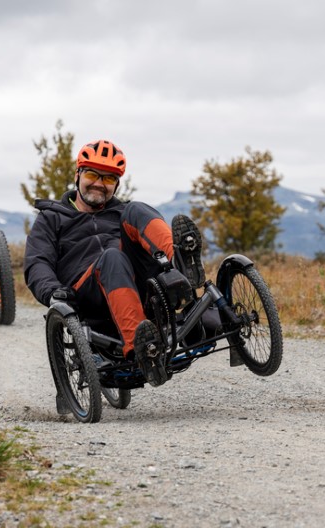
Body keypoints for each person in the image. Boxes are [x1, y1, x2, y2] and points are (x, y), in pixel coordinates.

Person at [24, 139, 206, 399]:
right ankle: (140, 349)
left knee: (136, 209)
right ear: (77, 175)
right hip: (87, 295)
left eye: (109, 178)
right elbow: (37, 262)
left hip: (139, 287)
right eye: (91, 174)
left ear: (116, 184)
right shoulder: (52, 217)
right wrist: (52, 292)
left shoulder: (121, 212)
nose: (99, 183)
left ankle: (180, 262)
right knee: (112, 258)